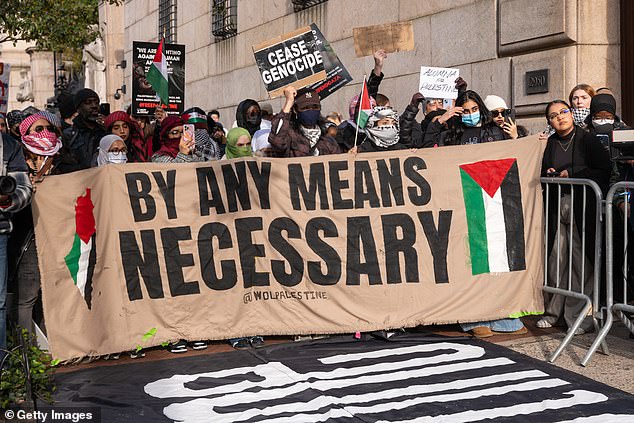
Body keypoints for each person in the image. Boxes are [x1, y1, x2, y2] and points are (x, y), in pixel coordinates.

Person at [538, 100, 612, 334]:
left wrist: (575, 173)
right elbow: (541, 169)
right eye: (553, 115)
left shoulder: (587, 139)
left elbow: (604, 169)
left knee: (580, 262)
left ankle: (579, 317)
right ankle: (553, 312)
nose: (560, 117)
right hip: (556, 203)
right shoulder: (550, 142)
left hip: (582, 205)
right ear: (549, 121)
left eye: (563, 112)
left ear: (571, 114)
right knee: (556, 259)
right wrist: (548, 172)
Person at [8, 113, 63, 343]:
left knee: (53, 294)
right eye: (38, 129)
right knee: (28, 295)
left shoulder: (63, 162)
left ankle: (54, 345)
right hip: (29, 239)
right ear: (25, 135)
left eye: (48, 128)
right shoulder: (17, 164)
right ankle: (28, 352)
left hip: (57, 238)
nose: (45, 133)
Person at [0, 128, 32, 362]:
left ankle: (2, 368)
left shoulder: (8, 146)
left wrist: (7, 200)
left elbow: (22, 188)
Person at [269, 87, 341, 157]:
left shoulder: (327, 140)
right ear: (295, 110)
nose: (311, 110)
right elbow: (276, 141)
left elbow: (339, 163)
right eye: (305, 108)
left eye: (315, 107)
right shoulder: (289, 135)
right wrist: (289, 101)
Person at [424, 90, 506, 146]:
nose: (471, 114)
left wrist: (515, 137)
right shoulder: (450, 136)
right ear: (459, 112)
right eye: (466, 111)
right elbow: (428, 148)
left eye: (474, 109)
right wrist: (441, 120)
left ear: (480, 108)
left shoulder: (495, 132)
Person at [60, 88, 107, 172]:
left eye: (96, 102)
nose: (94, 106)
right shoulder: (69, 135)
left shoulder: (105, 132)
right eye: (88, 103)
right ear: (78, 108)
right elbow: (62, 165)